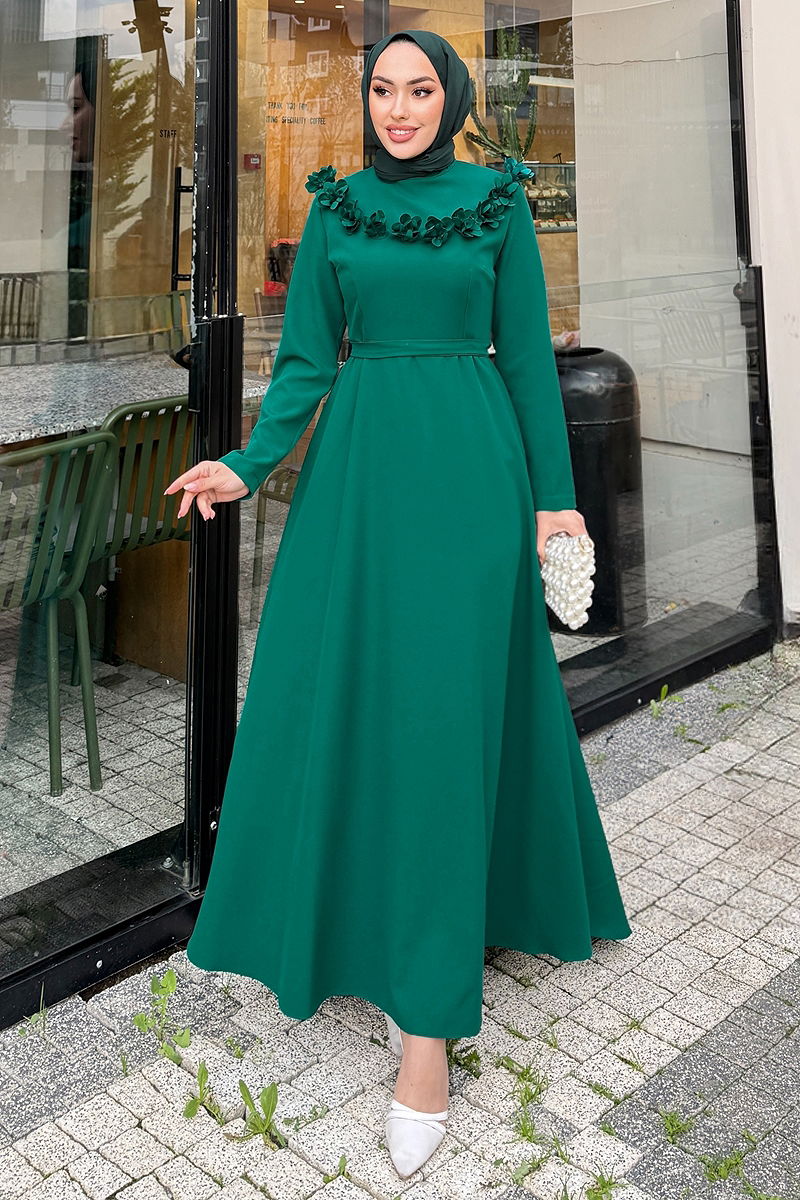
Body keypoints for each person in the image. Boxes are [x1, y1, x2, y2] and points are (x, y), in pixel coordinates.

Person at [165, 29, 632, 1179]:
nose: (399, 107)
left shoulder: (496, 204)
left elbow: (524, 364)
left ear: (450, 98)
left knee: (441, 720)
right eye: (382, 89)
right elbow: (308, 364)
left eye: (420, 89)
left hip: (470, 482)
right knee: (353, 710)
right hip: (357, 492)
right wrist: (248, 462)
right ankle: (353, 927)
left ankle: (426, 1030)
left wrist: (555, 506)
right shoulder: (335, 207)